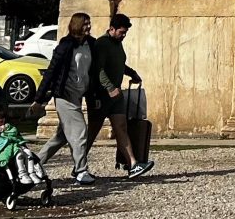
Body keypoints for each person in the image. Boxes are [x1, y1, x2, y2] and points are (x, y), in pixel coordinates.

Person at [88, 14, 153, 179]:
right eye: (121, 32)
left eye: (125, 33)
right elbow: (99, 69)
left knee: (121, 128)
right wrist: (109, 87)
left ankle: (133, 164)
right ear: (112, 29)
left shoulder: (117, 44)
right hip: (101, 96)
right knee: (92, 133)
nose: (124, 35)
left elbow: (118, 64)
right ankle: (79, 165)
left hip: (116, 96)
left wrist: (132, 73)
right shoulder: (102, 44)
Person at [35, 14, 97, 185]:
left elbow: (94, 70)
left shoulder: (91, 44)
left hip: (78, 95)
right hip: (65, 96)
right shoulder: (66, 45)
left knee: (61, 137)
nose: (89, 26)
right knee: (80, 132)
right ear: (77, 25)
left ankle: (34, 163)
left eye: (89, 23)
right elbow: (51, 71)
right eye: (85, 24)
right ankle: (80, 171)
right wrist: (38, 99)